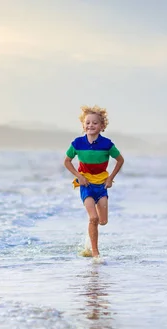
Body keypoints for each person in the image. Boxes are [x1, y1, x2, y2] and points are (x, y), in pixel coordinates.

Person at [63, 105, 125, 258]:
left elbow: (120, 160)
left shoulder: (107, 144)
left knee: (102, 221)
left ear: (102, 126)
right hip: (86, 185)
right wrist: (79, 176)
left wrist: (111, 178)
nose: (91, 125)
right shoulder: (77, 143)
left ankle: (91, 234)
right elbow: (67, 161)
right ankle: (95, 253)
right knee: (93, 218)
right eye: (87, 123)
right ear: (83, 125)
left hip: (101, 185)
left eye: (95, 123)